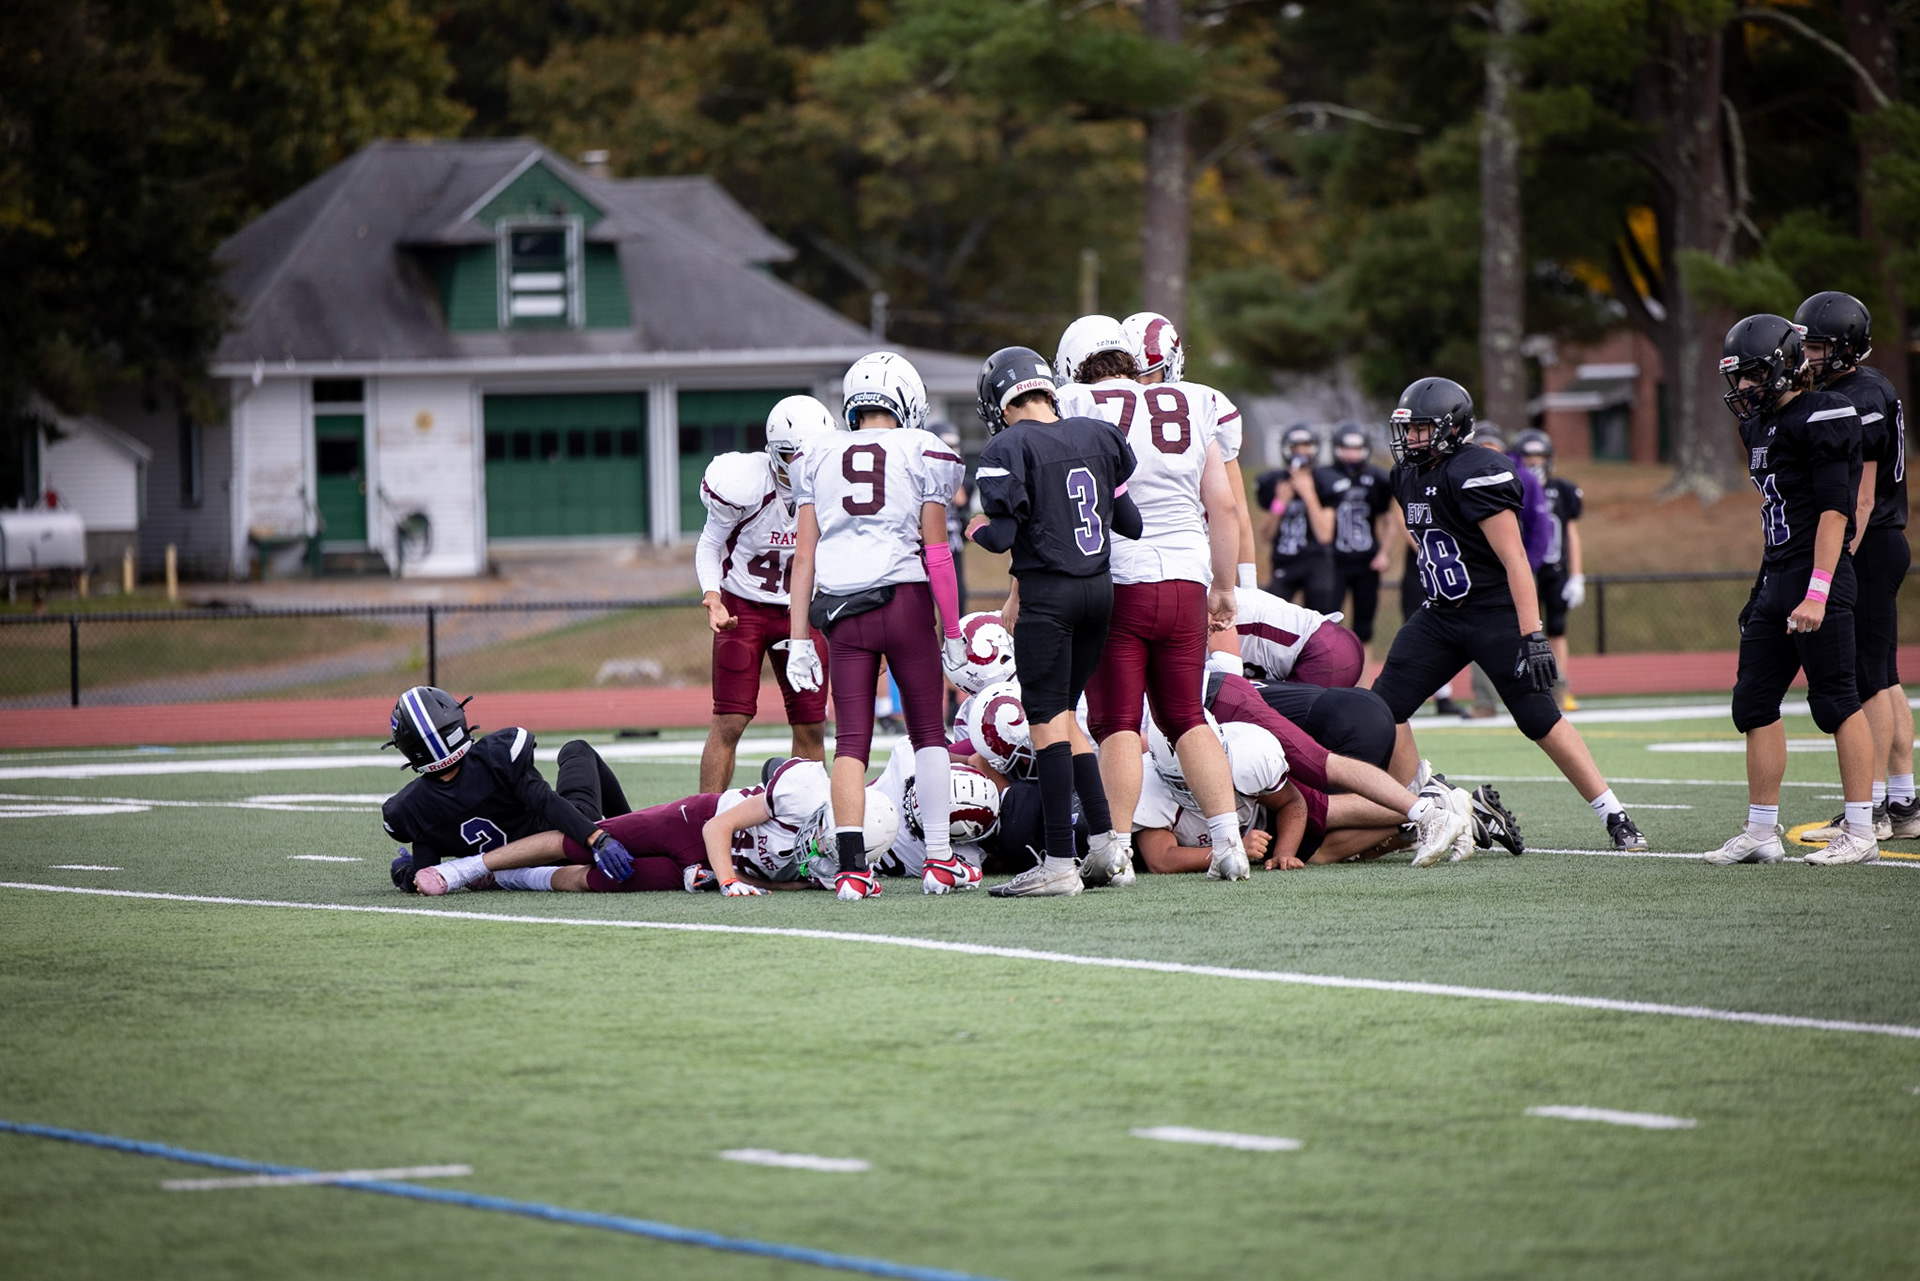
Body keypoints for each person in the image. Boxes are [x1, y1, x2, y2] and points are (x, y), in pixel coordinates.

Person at [1371, 377, 1649, 852]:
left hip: (1493, 613)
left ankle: (1616, 816)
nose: (1411, 439)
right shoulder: (1406, 476)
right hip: (1439, 614)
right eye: (1408, 429)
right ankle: (1419, 809)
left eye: (1421, 429)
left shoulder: (1478, 470)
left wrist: (1532, 634)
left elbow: (1515, 558)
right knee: (1381, 710)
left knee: (1538, 717)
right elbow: (1425, 533)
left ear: (1452, 429)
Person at [1053, 314, 1252, 882]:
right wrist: (1225, 585)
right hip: (1187, 576)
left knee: (1117, 720)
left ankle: (1115, 851)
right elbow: (1225, 505)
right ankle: (1228, 844)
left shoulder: (1075, 404)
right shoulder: (1196, 403)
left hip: (1120, 578)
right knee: (1186, 715)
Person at [784, 351, 970, 899]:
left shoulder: (817, 454)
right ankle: (939, 861)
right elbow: (937, 552)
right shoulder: (923, 449)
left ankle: (849, 870)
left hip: (842, 610)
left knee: (851, 744)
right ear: (908, 401)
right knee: (929, 734)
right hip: (906, 602)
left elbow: (804, 556)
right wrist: (953, 631)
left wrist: (798, 638)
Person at [968, 344, 1142, 896]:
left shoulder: (1009, 444)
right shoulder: (1099, 433)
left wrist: (971, 523)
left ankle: (1060, 862)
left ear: (1000, 399)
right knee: (1069, 718)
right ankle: (1106, 845)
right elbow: (1131, 523)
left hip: (1050, 598)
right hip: (1099, 592)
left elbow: (999, 537)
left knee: (1045, 721)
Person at [1707, 314, 1877, 866]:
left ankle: (1861, 828)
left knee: (1837, 702)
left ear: (1783, 367)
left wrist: (1818, 590)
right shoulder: (1755, 426)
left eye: (1753, 376)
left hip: (1817, 575)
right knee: (1753, 703)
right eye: (1739, 378)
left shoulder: (1823, 414)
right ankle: (1760, 831)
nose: (1744, 389)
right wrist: (1766, 587)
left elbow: (1835, 512)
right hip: (1777, 574)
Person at [1793, 291, 1914, 844]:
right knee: (1884, 676)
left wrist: (1837, 557)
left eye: (1816, 346)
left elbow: (1860, 497)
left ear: (1842, 348)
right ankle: (1904, 798)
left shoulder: (1858, 395)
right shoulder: (1866, 386)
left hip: (1869, 538)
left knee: (1868, 677)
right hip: (1886, 540)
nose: (1807, 355)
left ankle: (1874, 810)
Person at [694, 396, 836, 792]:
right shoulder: (744, 483)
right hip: (744, 607)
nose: (805, 467)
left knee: (811, 724)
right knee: (730, 719)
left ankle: (805, 819)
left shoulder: (833, 488)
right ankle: (704, 819)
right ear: (774, 452)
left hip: (803, 611)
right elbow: (709, 544)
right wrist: (713, 595)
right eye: (795, 456)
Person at [380, 686, 635, 894]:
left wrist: (407, 874)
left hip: (505, 874)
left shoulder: (410, 807)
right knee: (576, 749)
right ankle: (631, 830)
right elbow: (546, 802)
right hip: (565, 844)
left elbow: (429, 876)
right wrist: (597, 838)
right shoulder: (497, 757)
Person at [1122, 311, 1260, 590]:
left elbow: (1234, 509)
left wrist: (1248, 586)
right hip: (1135, 561)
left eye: (1150, 375)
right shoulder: (1115, 408)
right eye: (1135, 377)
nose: (1142, 387)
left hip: (1199, 557)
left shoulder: (1207, 406)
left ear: (1172, 364)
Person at [1466, 425, 1552, 717]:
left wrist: (1526, 567)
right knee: (1478, 635)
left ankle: (1544, 693)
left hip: (1515, 570)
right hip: (1480, 576)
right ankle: (1484, 700)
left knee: (1531, 631)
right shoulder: (1461, 476)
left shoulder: (1522, 477)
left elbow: (1540, 530)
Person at [1515, 430, 1585, 711]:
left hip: (1555, 569)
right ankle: (1526, 691)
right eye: (1529, 457)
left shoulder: (1563, 489)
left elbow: (1571, 534)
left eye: (1540, 457)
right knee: (1523, 631)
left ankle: (1560, 689)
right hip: (1524, 570)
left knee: (1557, 630)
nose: (1535, 462)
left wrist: (1578, 574)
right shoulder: (1515, 487)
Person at [1313, 425, 1395, 641]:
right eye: (1346, 447)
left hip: (1366, 561)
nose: (1352, 453)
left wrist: (1384, 553)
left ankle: (1365, 677)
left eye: (1357, 447)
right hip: (1335, 561)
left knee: (1364, 629)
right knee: (1327, 625)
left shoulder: (1377, 478)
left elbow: (1389, 519)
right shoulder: (1323, 476)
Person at [1209, 583, 1366, 688]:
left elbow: (1226, 670)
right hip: (1331, 641)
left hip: (1321, 652)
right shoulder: (1210, 592)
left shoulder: (1206, 604)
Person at [1258, 426, 1334, 607]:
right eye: (1296, 446)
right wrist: (1279, 503)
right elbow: (1266, 535)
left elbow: (1325, 535)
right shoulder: (1275, 482)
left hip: (1316, 561)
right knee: (1274, 617)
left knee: (1321, 622)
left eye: (1306, 445)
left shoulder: (1324, 481)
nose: (1301, 451)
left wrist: (1309, 495)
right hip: (1285, 561)